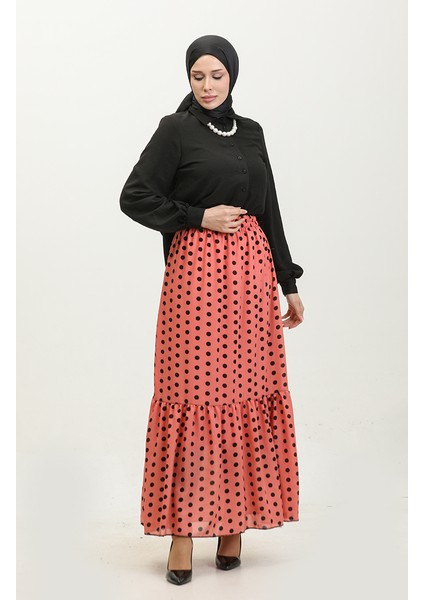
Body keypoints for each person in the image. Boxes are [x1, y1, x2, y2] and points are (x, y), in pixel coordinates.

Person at [119, 34, 305, 585]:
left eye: (216, 76)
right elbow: (134, 196)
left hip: (251, 278)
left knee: (244, 390)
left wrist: (288, 282)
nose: (206, 86)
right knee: (194, 392)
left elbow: (269, 209)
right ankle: (183, 533)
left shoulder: (251, 132)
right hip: (196, 278)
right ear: (188, 78)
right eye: (197, 76)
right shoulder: (175, 130)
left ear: (232, 77)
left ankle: (232, 527)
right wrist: (198, 217)